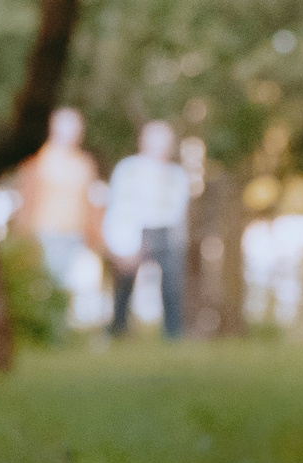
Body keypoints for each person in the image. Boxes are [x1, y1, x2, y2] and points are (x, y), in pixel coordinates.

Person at [102, 120, 192, 339]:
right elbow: (118, 204)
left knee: (171, 285)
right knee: (124, 282)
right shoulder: (129, 169)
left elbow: (180, 210)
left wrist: (182, 236)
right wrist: (120, 240)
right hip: (135, 230)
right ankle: (118, 327)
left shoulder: (176, 175)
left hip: (167, 231)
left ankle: (173, 334)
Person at [14, 106, 102, 293]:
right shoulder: (38, 159)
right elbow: (26, 198)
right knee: (42, 285)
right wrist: (22, 234)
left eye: (76, 127)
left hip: (74, 234)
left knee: (66, 288)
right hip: (43, 232)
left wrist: (95, 236)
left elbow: (91, 201)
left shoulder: (84, 163)